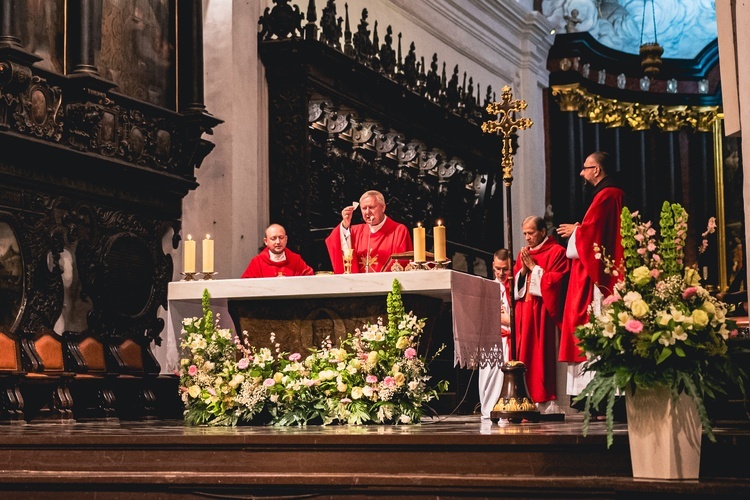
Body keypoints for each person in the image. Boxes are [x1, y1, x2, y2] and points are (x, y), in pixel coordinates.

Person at [556, 151, 624, 399]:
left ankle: (600, 396)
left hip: (598, 277)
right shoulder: (608, 195)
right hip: (601, 271)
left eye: (586, 168)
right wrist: (580, 229)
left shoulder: (607, 195)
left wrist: (577, 231)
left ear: (597, 170)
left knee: (596, 327)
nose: (582, 173)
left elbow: (593, 234)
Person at [513, 216, 569, 413]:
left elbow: (556, 282)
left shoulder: (557, 252)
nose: (527, 238)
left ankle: (547, 402)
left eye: (531, 233)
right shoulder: (523, 254)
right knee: (526, 355)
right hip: (526, 312)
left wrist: (535, 269)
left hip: (545, 313)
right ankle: (527, 398)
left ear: (543, 231)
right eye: (525, 234)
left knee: (543, 356)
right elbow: (517, 287)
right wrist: (523, 272)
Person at [325, 190, 413, 273]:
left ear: (383, 207)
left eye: (371, 207)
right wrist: (344, 224)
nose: (367, 212)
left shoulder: (399, 231)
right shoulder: (355, 231)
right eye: (364, 208)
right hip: (359, 286)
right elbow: (334, 242)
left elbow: (403, 263)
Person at [478, 248, 512, 420]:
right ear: (493, 266)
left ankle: (503, 409)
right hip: (490, 339)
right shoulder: (487, 287)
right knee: (488, 378)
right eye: (498, 269)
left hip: (507, 339)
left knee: (502, 377)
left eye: (505, 269)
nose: (501, 273)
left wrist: (508, 319)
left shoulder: (513, 288)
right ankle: (488, 410)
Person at [241, 224, 314, 278]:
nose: (278, 242)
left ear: (286, 239)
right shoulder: (257, 262)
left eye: (281, 237)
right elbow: (246, 286)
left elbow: (309, 279)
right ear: (266, 241)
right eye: (273, 238)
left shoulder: (296, 260)